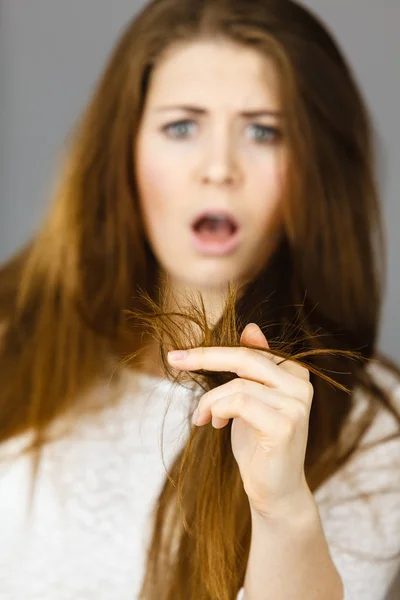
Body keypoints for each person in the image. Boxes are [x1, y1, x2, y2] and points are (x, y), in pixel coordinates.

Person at [0, 0, 399, 598]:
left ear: (315, 170)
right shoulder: (12, 334)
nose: (218, 168)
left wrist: (282, 512)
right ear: (125, 154)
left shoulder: (376, 429)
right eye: (181, 127)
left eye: (264, 131)